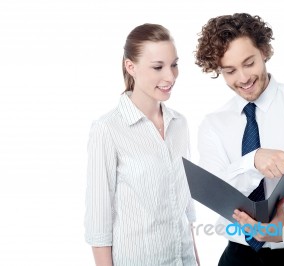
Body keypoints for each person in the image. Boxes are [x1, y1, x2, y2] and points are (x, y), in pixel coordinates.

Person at [195, 13, 284, 265]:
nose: (243, 78)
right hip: (237, 257)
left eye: (249, 63)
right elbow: (216, 192)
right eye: (229, 71)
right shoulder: (213, 125)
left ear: (264, 51)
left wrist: (282, 231)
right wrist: (252, 161)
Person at [85, 23, 199, 266]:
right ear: (130, 67)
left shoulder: (180, 124)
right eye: (158, 67)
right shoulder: (107, 129)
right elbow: (99, 222)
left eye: (174, 65)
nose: (170, 76)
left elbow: (185, 210)